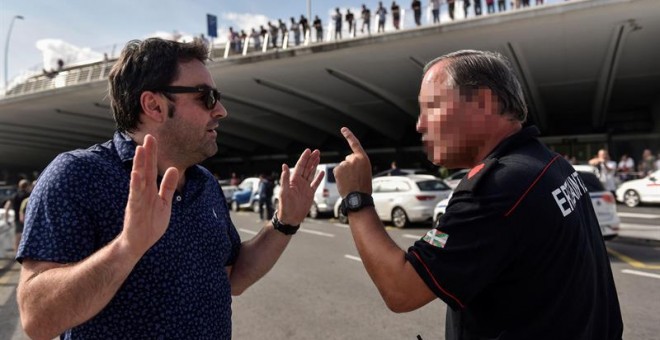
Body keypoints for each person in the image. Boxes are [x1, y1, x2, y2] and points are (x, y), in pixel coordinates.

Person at [16, 37, 324, 339]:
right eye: (207, 98)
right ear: (154, 105)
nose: (221, 111)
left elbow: (233, 278)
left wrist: (285, 222)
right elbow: (37, 319)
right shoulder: (78, 175)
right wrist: (128, 247)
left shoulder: (204, 184)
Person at [333, 50, 623, 339]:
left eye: (431, 106)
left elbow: (401, 290)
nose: (420, 124)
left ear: (483, 102)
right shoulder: (551, 165)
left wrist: (357, 199)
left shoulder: (498, 187)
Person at [3, 179, 30, 252]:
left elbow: (7, 207)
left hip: (17, 218)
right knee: (28, 236)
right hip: (28, 218)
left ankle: (17, 252)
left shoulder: (14, 195)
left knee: (17, 236)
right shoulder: (30, 195)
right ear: (27, 186)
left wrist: (6, 219)